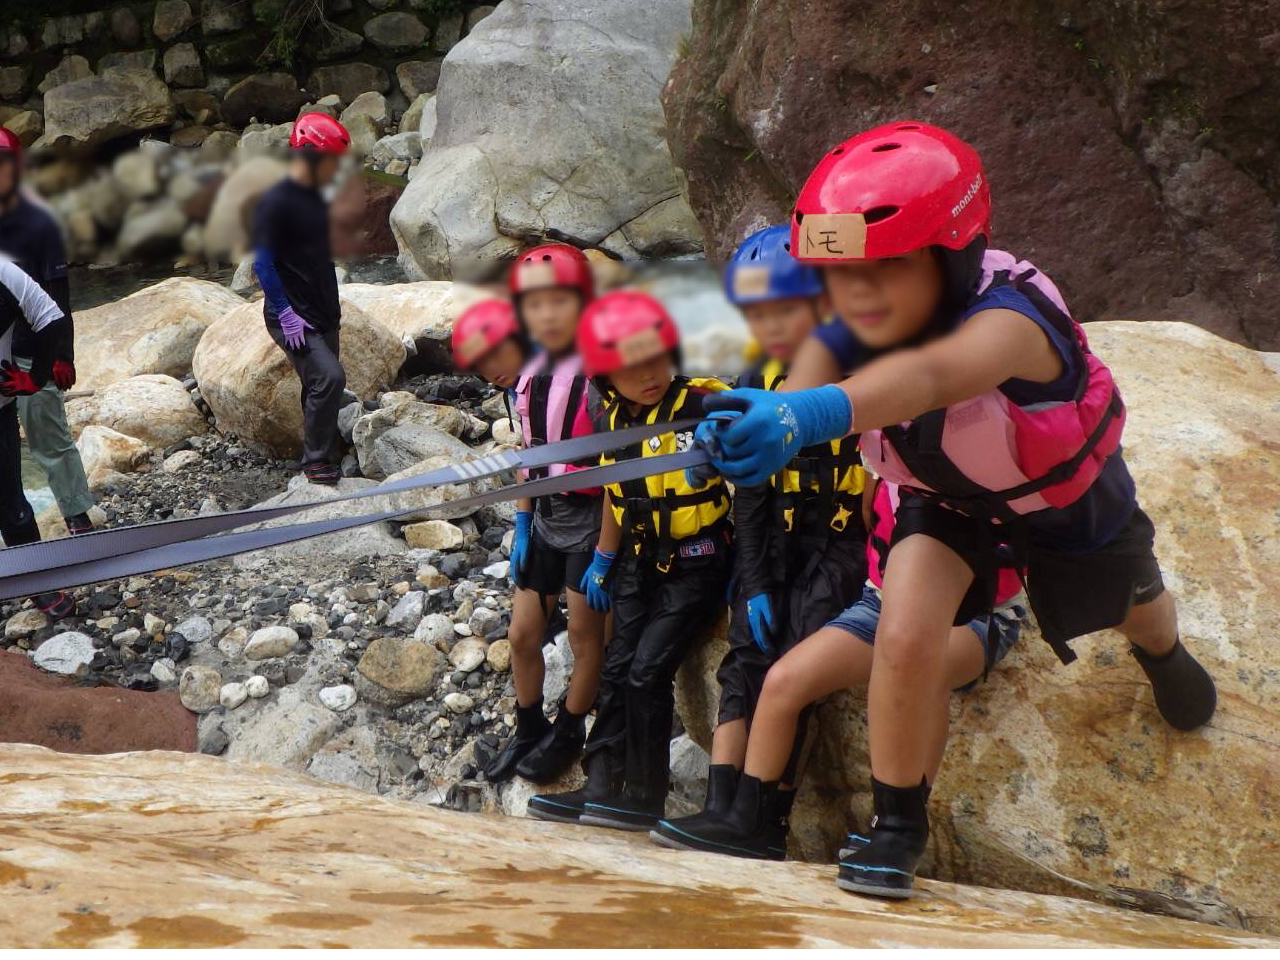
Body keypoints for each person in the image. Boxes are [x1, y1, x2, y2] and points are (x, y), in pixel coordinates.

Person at [695, 122, 1217, 899]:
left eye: (888, 268)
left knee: (1138, 609)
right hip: (948, 503)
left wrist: (805, 418)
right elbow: (797, 390)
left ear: (952, 257)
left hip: (1063, 506)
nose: (858, 295)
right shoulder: (857, 322)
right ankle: (900, 825)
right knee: (906, 634)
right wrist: (752, 422)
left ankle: (1163, 651)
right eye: (841, 275)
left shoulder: (1010, 321)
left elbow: (935, 377)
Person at [655, 476, 1025, 861]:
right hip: (881, 603)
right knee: (783, 681)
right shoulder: (885, 467)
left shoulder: (979, 467)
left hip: (973, 616)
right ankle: (748, 823)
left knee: (918, 670)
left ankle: (897, 830)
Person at [652, 225, 868, 856]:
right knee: (745, 653)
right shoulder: (759, 372)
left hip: (838, 544)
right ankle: (721, 807)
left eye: (781, 310)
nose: (767, 326)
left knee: (794, 656)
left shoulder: (865, 376)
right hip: (773, 536)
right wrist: (756, 578)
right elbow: (751, 488)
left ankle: (761, 819)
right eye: (754, 314)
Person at [527, 291, 731, 829]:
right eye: (631, 366)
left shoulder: (702, 404)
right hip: (640, 559)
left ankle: (643, 796)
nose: (649, 375)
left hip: (697, 559)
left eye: (656, 358)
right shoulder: (615, 416)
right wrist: (602, 559)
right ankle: (600, 786)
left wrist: (718, 451)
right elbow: (619, 495)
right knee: (617, 669)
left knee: (645, 674)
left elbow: (749, 444)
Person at [484, 244, 608, 785]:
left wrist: (606, 552)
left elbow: (619, 474)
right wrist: (520, 523)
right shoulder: (529, 375)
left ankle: (570, 729)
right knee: (520, 635)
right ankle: (529, 724)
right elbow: (528, 453)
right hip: (545, 517)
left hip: (593, 521)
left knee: (584, 636)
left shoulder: (604, 377)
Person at [0, 129, 94, 537]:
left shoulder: (40, 222)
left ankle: (76, 515)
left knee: (48, 438)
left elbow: (58, 296)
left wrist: (62, 355)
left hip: (33, 346)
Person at [253, 113, 351, 486]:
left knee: (316, 383)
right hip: (292, 315)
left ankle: (323, 447)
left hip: (323, 309)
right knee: (330, 377)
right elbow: (263, 262)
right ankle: (315, 462)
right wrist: (285, 312)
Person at [0, 251, 76, 616]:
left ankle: (37, 583)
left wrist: (36, 377)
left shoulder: (2, 271)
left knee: (11, 502)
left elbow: (50, 317)